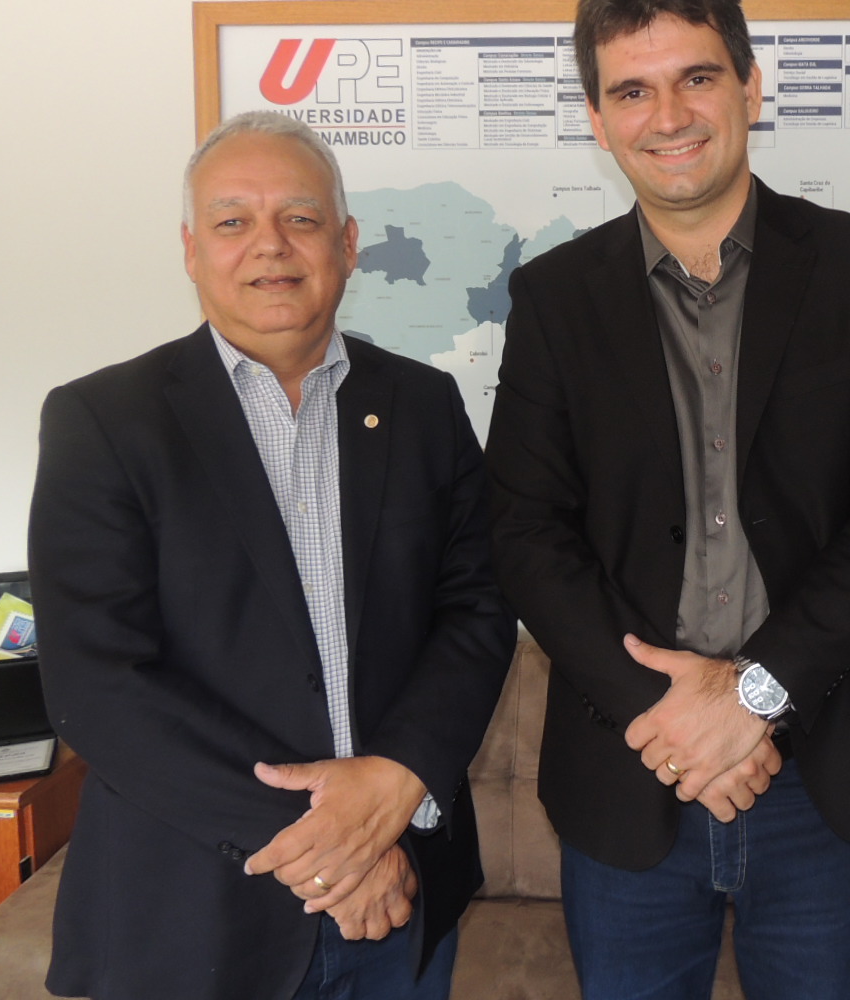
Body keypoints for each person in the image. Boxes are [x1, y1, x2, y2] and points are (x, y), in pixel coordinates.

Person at [485, 0, 850, 999]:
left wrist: (754, 693)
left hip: (823, 775)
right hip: (632, 765)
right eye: (632, 91)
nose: (669, 116)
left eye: (696, 77)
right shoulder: (553, 299)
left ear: (749, 85)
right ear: (598, 119)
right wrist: (673, 715)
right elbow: (526, 533)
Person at [28, 112, 517, 1000]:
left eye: (300, 217)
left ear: (347, 244)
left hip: (405, 895)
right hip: (195, 908)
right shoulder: (103, 422)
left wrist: (395, 783)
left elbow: (476, 612)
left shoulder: (423, 405)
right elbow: (96, 683)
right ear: (191, 250)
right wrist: (335, 847)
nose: (270, 245)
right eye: (232, 221)